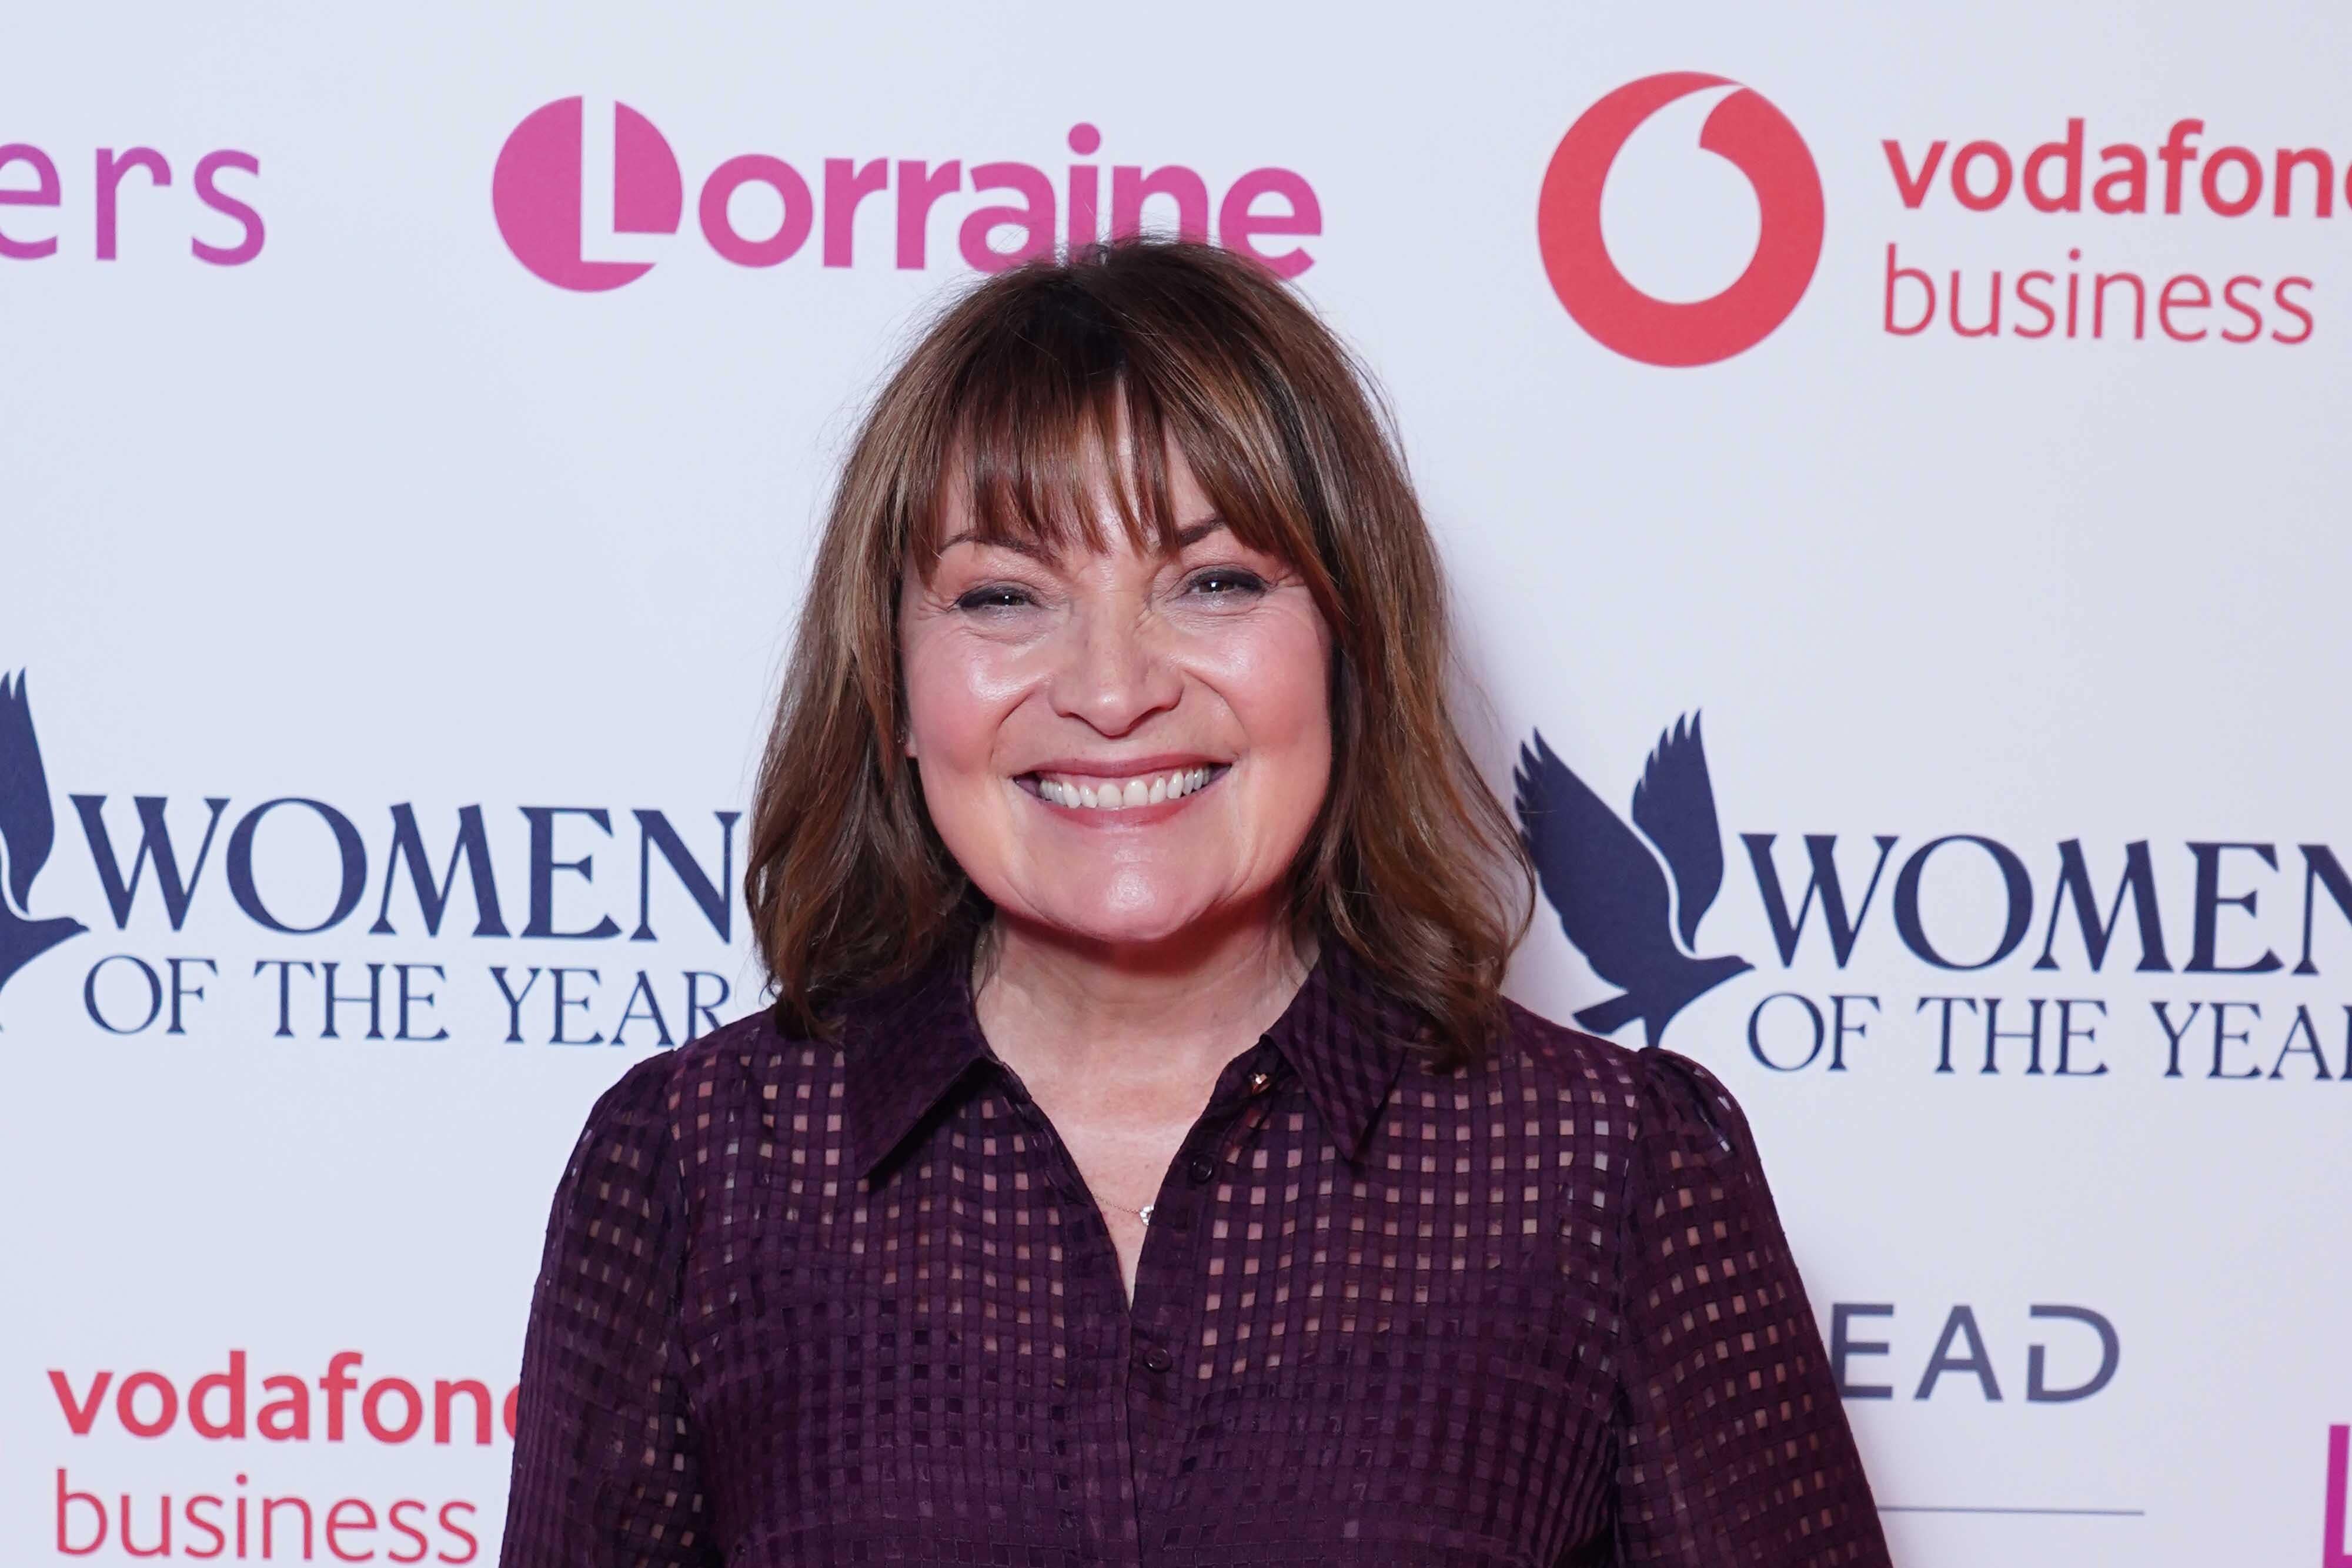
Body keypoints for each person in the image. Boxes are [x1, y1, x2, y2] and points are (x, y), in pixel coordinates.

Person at [497, 237, 1892, 1567]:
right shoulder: (697, 1168)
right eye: (1000, 596)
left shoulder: (1605, 1169)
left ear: (1348, 647)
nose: (1111, 690)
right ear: (893, 688)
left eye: (1212, 581)